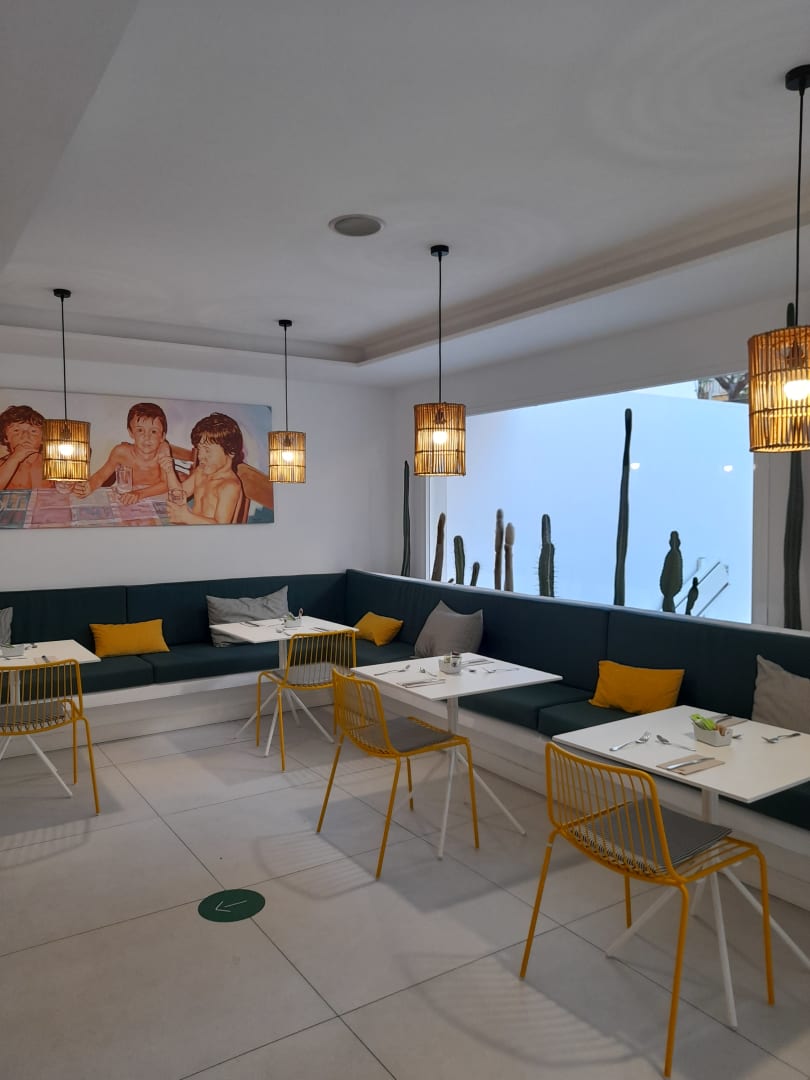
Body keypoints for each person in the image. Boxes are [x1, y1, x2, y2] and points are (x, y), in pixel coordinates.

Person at [75, 402, 174, 504]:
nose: (147, 437)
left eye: (153, 431)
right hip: (130, 497)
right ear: (131, 432)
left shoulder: (163, 450)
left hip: (155, 496)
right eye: (140, 430)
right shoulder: (121, 452)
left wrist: (139, 494)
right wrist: (89, 486)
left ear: (162, 436)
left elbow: (166, 484)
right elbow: (101, 475)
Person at [161, 412, 246, 525]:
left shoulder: (229, 486)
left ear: (231, 451)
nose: (200, 456)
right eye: (199, 449)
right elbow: (179, 493)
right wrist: (169, 471)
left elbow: (221, 526)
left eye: (207, 450)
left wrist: (187, 517)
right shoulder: (201, 471)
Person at [0, 404, 54, 490]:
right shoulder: (2, 465)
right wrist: (14, 459)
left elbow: (67, 490)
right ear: (5, 437)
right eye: (16, 430)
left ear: (43, 438)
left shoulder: (52, 465)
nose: (25, 436)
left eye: (33, 431)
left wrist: (72, 487)